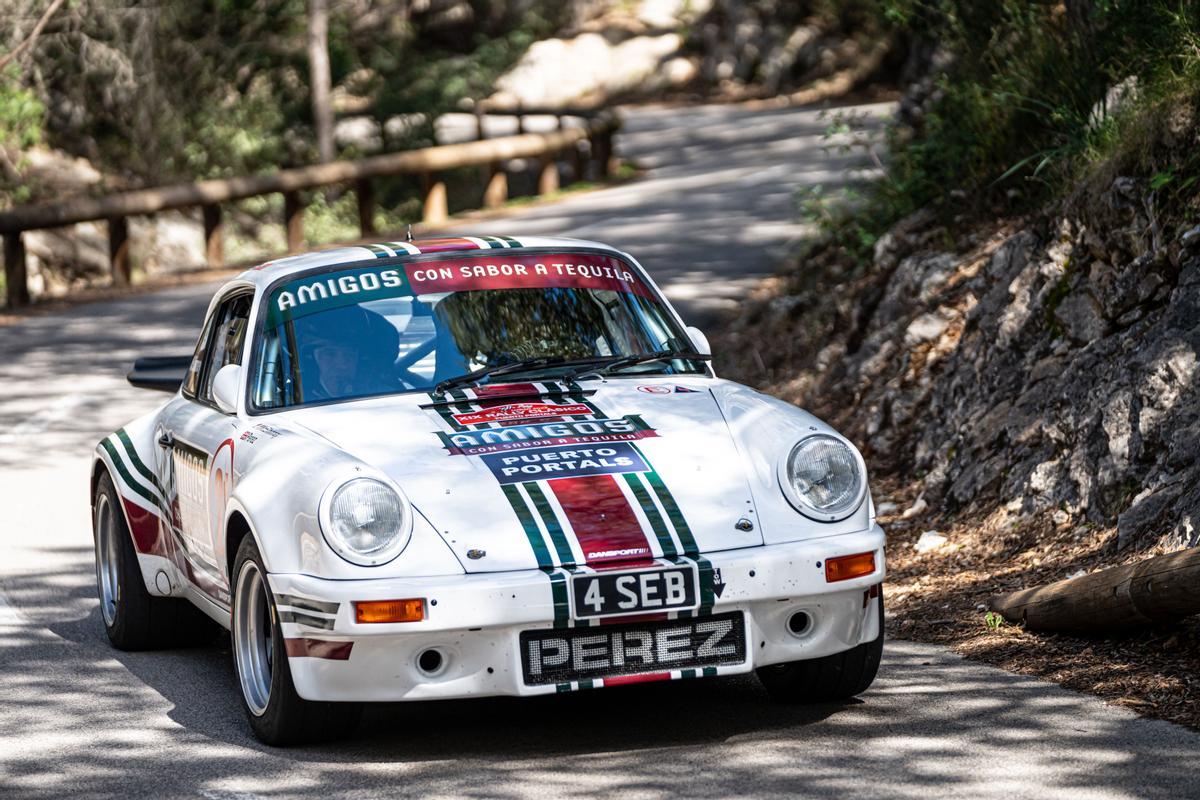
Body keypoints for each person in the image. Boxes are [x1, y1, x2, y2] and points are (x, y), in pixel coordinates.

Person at [293, 303, 400, 402]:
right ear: (311, 361)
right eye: (329, 354)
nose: (343, 365)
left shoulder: (385, 397)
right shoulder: (291, 402)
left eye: (350, 354)